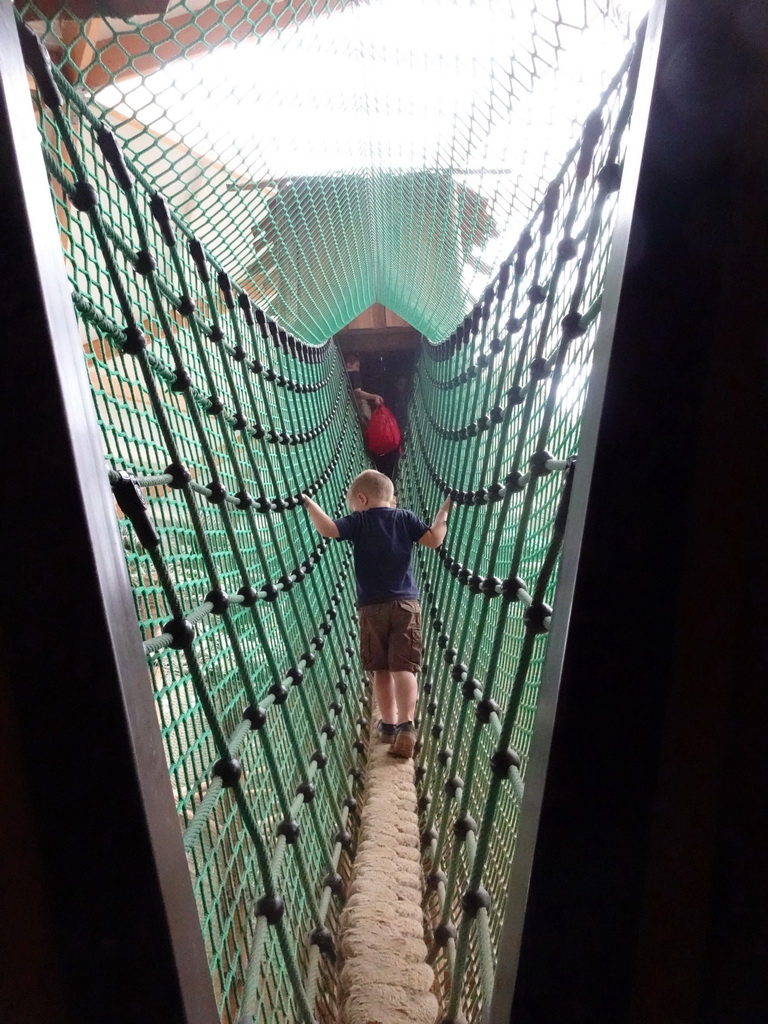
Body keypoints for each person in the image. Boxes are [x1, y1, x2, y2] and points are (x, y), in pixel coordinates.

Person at [302, 471, 451, 758]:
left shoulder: (359, 521)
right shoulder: (404, 517)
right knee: (404, 667)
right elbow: (434, 540)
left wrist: (310, 504)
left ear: (362, 498)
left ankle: (388, 726)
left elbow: (329, 529)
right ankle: (407, 725)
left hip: (371, 607)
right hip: (407, 605)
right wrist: (442, 515)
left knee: (381, 670)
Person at [344, 352, 383, 424]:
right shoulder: (355, 375)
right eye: (357, 366)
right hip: (357, 405)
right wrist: (374, 397)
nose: (358, 369)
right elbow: (357, 392)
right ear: (349, 365)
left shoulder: (341, 375)